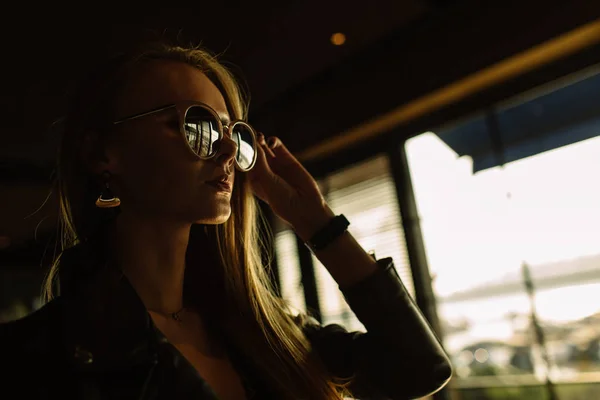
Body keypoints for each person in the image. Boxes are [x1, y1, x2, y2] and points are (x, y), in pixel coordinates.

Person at [0, 42, 452, 399]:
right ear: (103, 154)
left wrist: (315, 220)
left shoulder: (265, 331)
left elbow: (417, 370)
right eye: (196, 125)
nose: (228, 151)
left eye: (233, 131)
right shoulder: (34, 358)